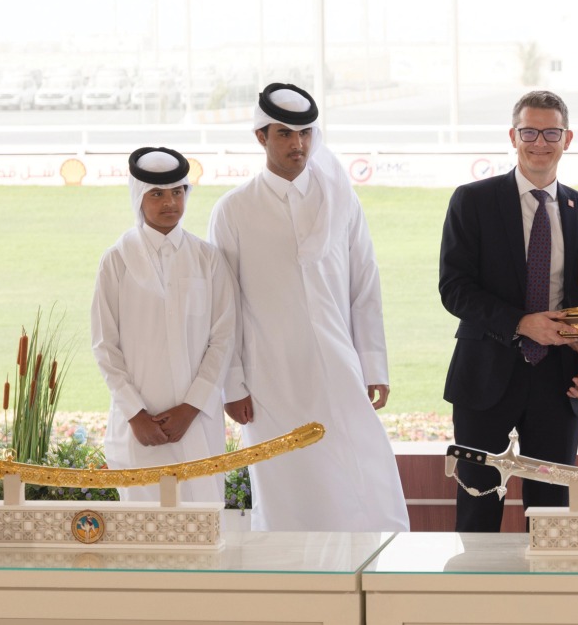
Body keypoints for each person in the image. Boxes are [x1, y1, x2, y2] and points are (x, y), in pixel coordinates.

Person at [208, 83, 408, 531]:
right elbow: (224, 306)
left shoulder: (340, 199)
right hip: (271, 377)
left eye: (305, 134)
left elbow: (364, 285)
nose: (297, 145)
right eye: (284, 134)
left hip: (339, 367)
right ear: (261, 137)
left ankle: (369, 576)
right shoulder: (233, 211)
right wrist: (233, 384)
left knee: (362, 472)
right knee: (286, 482)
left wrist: (374, 365)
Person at [440, 90, 578, 532]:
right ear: (513, 136)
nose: (540, 142)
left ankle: (547, 600)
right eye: (529, 131)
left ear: (567, 138)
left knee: (551, 516)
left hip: (559, 384)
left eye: (551, 132)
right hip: (485, 374)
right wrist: (520, 323)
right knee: (477, 505)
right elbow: (454, 289)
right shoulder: (472, 201)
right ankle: (475, 600)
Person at [91, 146, 235, 504]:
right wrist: (136, 414)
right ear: (139, 197)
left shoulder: (208, 258)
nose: (170, 202)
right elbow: (104, 346)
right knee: (142, 535)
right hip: (138, 427)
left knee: (202, 529)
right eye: (157, 193)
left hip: (197, 422)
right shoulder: (116, 261)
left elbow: (224, 338)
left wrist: (191, 407)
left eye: (177, 192)